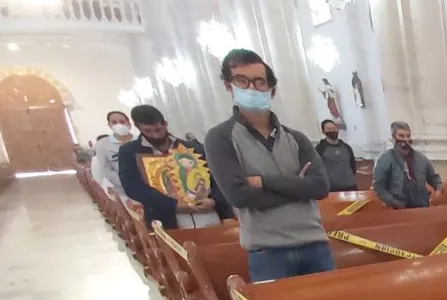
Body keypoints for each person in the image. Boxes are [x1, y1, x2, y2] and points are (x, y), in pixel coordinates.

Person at [205, 48, 334, 282]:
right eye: (242, 81)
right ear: (229, 86)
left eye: (259, 82)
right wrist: (297, 187)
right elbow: (240, 196)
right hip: (268, 251)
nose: (252, 89)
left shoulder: (297, 138)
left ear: (271, 89)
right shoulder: (220, 138)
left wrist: (263, 182)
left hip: (314, 243)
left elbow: (319, 187)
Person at [118, 104, 232, 229]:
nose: (155, 135)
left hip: (208, 215)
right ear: (138, 127)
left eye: (158, 130)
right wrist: (173, 205)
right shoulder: (129, 152)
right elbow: (133, 187)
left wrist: (214, 200)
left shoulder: (192, 148)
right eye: (148, 131)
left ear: (165, 124)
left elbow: (216, 177)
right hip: (166, 219)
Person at [372, 122, 442, 208]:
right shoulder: (385, 159)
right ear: (394, 138)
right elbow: (379, 187)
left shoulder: (421, 158)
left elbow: (434, 178)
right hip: (397, 209)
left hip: (422, 207)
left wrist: (438, 189)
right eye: (401, 136)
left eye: (408, 136)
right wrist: (394, 202)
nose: (405, 139)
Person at [93, 110, 135, 198]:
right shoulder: (102, 144)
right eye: (114, 122)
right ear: (109, 125)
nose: (119, 125)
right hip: (123, 190)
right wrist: (128, 183)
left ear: (129, 123)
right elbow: (106, 169)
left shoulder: (139, 140)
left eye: (122, 122)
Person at [314, 119, 358, 192]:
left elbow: (352, 165)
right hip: (332, 189)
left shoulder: (346, 147)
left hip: (350, 186)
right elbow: (317, 168)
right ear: (323, 132)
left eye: (334, 128)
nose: (332, 131)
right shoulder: (319, 149)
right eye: (329, 129)